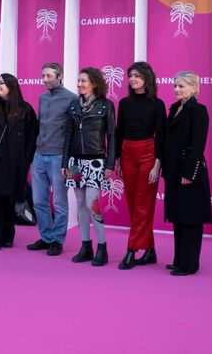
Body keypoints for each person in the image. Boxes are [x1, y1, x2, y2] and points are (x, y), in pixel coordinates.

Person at [0, 74, 38, 251]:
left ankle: (8, 236)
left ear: (11, 86)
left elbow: (32, 136)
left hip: (17, 162)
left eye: (1, 83)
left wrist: (27, 158)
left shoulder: (25, 109)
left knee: (11, 200)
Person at [62, 67, 116, 267]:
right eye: (78, 81)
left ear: (94, 83)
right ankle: (86, 246)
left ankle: (102, 248)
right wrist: (65, 162)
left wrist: (110, 164)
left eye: (83, 81)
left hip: (96, 162)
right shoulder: (73, 105)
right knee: (80, 203)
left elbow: (112, 136)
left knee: (92, 205)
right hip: (76, 162)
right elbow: (68, 135)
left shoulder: (106, 105)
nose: (80, 84)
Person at [115, 62, 166, 270]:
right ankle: (150, 250)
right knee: (134, 205)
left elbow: (161, 136)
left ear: (147, 78)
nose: (133, 79)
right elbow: (119, 132)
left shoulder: (157, 104)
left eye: (137, 75)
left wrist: (157, 165)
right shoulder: (124, 103)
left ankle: (131, 249)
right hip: (127, 153)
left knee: (143, 205)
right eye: (131, 76)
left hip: (148, 155)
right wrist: (118, 159)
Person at [163, 72, 212, 276]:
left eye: (181, 86)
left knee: (190, 217)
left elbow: (198, 144)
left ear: (194, 88)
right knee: (178, 215)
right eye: (175, 85)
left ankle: (189, 264)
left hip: (189, 171)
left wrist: (189, 173)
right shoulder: (175, 108)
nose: (177, 89)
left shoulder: (198, 110)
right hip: (174, 170)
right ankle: (179, 260)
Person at [28, 62, 76, 256]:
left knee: (59, 202)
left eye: (49, 76)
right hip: (39, 155)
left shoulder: (71, 98)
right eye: (43, 76)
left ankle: (57, 240)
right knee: (39, 201)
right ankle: (46, 237)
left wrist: (68, 160)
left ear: (60, 76)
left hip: (58, 157)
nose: (45, 80)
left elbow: (73, 131)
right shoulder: (42, 97)